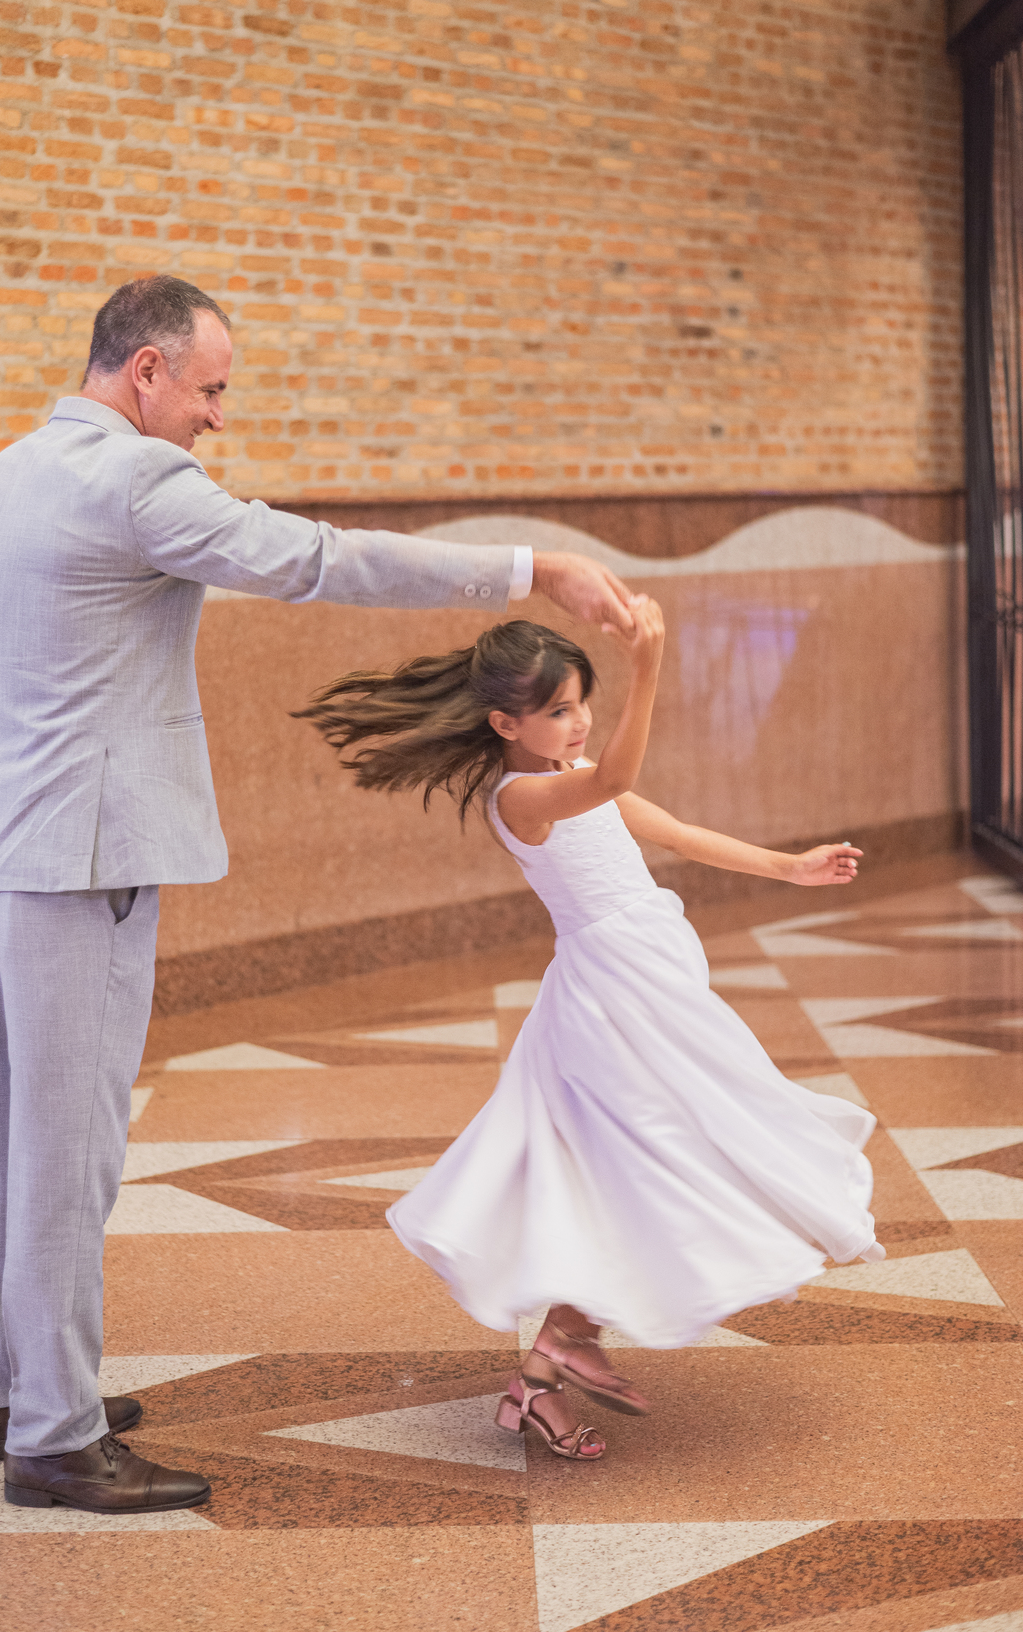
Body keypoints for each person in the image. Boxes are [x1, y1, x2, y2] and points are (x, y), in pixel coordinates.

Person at [0, 274, 642, 1514]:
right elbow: (319, 559)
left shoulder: (5, 474)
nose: (217, 417)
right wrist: (532, 564)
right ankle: (55, 1431)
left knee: (3, 1134)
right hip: (81, 859)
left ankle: (10, 1389)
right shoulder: (135, 483)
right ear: (145, 371)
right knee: (69, 1150)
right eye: (209, 389)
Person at [297, 609, 885, 1463]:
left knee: (636, 1164)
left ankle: (543, 1372)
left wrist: (787, 867)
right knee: (648, 1158)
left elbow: (676, 834)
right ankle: (556, 1353)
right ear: (507, 724)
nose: (581, 723)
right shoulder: (523, 797)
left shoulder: (567, 768)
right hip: (612, 1001)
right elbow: (612, 781)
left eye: (583, 704)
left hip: (653, 984)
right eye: (564, 709)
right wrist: (647, 666)